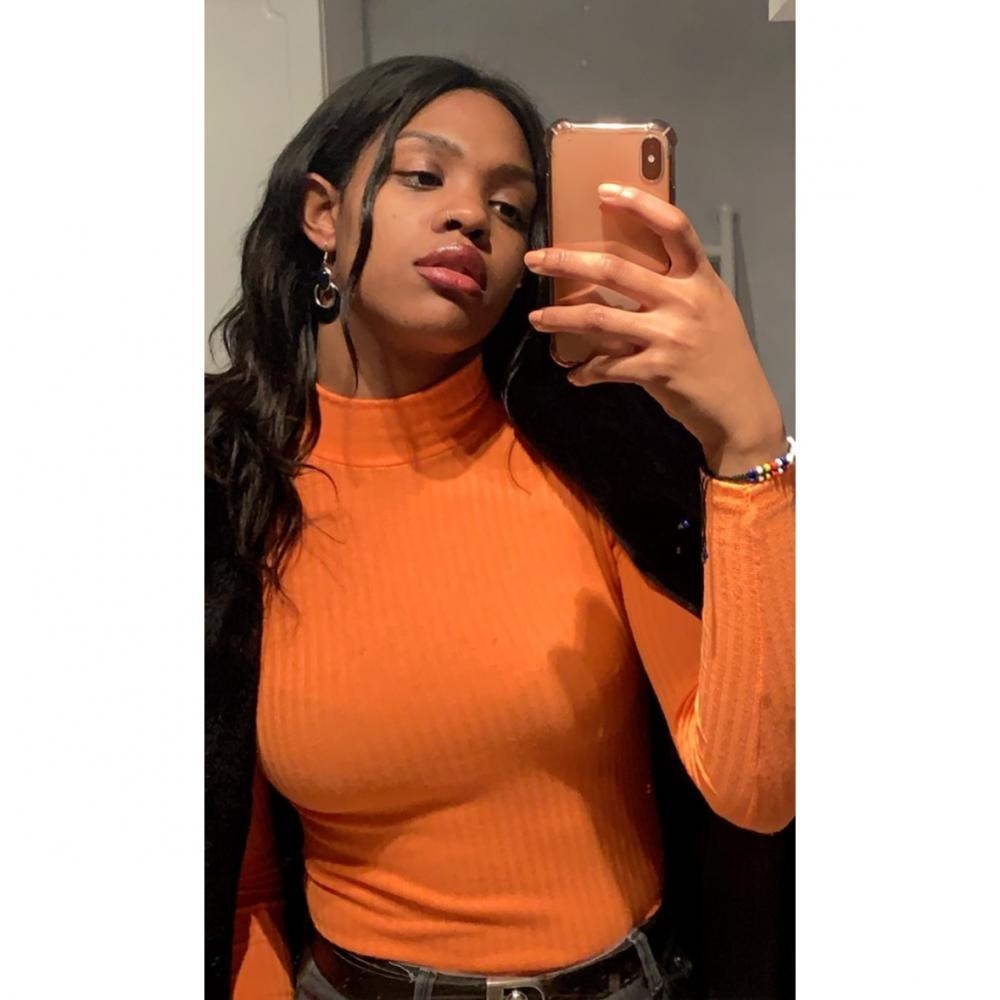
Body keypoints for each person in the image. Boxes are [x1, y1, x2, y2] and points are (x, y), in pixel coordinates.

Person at [206, 54, 795, 1000]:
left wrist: (750, 444)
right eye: (422, 175)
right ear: (322, 213)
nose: (472, 218)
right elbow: (234, 878)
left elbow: (759, 789)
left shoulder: (591, 445)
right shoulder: (227, 482)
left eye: (511, 208)